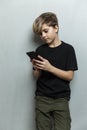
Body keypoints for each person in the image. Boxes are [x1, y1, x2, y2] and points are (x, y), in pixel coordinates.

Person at [31, 12, 78, 130]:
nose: (43, 36)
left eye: (45, 31)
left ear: (56, 27)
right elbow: (36, 76)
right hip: (42, 98)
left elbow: (69, 76)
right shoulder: (40, 50)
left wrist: (50, 68)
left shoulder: (68, 49)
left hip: (61, 99)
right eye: (40, 34)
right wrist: (37, 67)